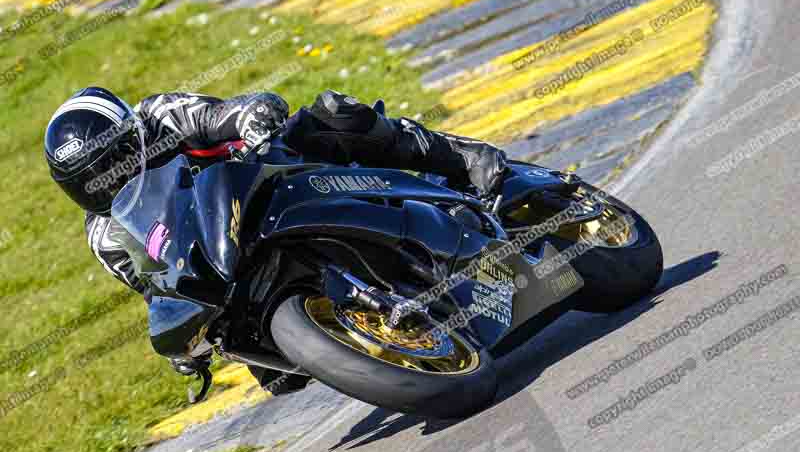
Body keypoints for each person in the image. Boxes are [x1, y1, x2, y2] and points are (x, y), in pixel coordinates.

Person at [43, 86, 507, 393]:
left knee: (332, 116)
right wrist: (185, 345)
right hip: (224, 261)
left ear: (131, 140)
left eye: (110, 165)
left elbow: (236, 111)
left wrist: (255, 123)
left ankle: (458, 157)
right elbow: (157, 285)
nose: (107, 184)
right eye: (90, 182)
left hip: (265, 183)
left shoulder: (162, 116)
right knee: (275, 377)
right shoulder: (105, 236)